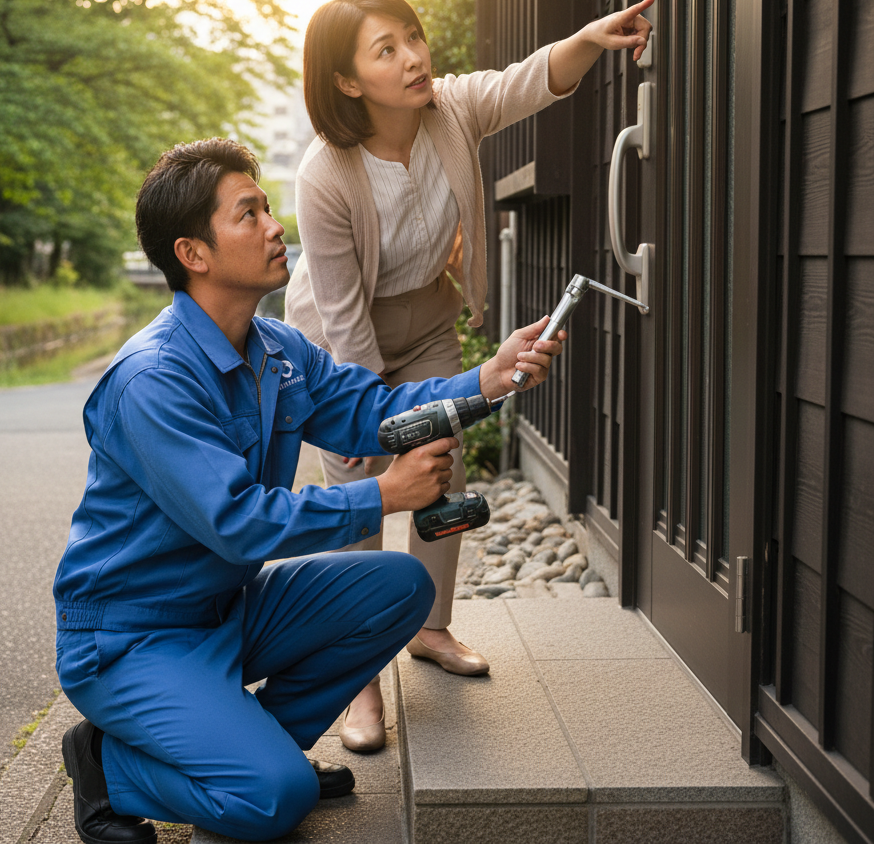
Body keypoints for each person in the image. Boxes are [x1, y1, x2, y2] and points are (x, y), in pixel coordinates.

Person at [53, 138, 565, 844]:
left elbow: (374, 412)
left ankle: (252, 746)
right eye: (248, 214)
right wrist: (385, 496)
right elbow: (236, 524)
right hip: (132, 637)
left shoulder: (277, 349)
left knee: (398, 587)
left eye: (267, 208)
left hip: (221, 611)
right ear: (193, 253)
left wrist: (491, 378)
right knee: (273, 800)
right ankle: (109, 769)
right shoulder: (153, 379)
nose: (274, 227)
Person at [284, 0, 653, 751]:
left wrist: (589, 36)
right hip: (339, 335)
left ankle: (431, 627)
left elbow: (527, 79)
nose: (414, 56)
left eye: (411, 37)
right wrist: (364, 419)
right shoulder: (325, 175)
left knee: (440, 470)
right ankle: (358, 683)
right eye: (386, 49)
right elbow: (342, 312)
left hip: (425, 319)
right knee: (357, 486)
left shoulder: (450, 110)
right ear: (348, 81)